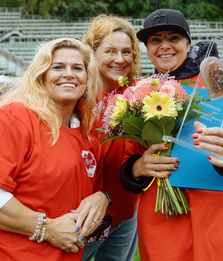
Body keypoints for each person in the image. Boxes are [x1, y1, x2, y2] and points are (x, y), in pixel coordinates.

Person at [0, 16, 142, 261]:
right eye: (57, 67)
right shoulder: (18, 116)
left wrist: (105, 196)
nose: (119, 59)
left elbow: (95, 179)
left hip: (107, 220)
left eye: (77, 68)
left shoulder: (91, 124)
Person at [120, 9, 223, 260]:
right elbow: (129, 163)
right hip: (164, 224)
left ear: (188, 44)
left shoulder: (222, 81)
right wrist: (137, 168)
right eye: (155, 40)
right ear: (147, 48)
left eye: (173, 38)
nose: (164, 46)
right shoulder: (139, 93)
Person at [81, 14, 141, 261]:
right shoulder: (75, 95)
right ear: (92, 53)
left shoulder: (142, 94)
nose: (120, 59)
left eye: (126, 51)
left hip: (127, 211)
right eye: (110, 51)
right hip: (89, 213)